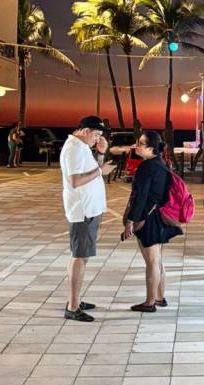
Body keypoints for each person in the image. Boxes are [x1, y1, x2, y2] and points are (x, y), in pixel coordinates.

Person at [60, 116, 116, 322]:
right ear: (85, 131)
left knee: (80, 256)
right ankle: (73, 307)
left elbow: (91, 173)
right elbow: (75, 181)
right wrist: (101, 171)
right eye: (96, 135)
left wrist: (100, 155)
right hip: (82, 211)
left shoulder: (81, 147)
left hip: (89, 209)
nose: (97, 139)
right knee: (79, 257)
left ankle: (73, 300)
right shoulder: (74, 148)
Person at [122, 131, 183, 312]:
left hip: (148, 219)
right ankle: (159, 297)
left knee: (152, 262)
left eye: (141, 143)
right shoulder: (161, 163)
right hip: (159, 217)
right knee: (157, 260)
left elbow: (140, 198)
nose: (137, 146)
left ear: (150, 148)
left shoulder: (146, 167)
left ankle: (150, 302)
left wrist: (130, 221)